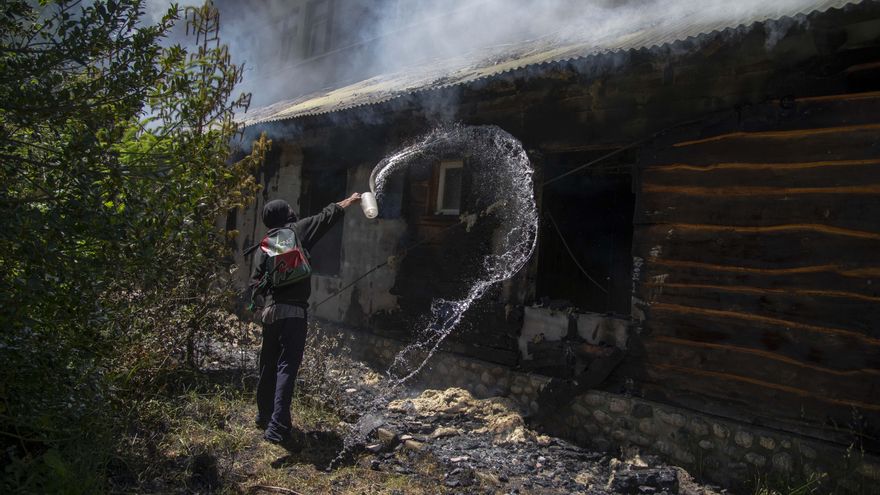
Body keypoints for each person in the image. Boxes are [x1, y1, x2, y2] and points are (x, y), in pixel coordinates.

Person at [250, 192, 361, 446]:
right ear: (285, 214)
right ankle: (278, 428)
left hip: (270, 313)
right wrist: (351, 200)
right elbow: (327, 215)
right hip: (294, 314)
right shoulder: (297, 231)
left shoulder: (265, 244)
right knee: (286, 368)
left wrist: (262, 311)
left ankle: (264, 416)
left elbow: (255, 286)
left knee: (267, 365)